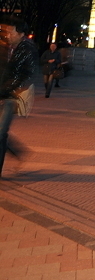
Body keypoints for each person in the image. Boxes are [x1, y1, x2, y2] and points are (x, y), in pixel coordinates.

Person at [0, 16, 36, 177]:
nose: (8, 34)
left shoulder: (26, 49)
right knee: (1, 133)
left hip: (10, 96)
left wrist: (4, 91)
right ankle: (17, 151)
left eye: (11, 31)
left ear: (21, 33)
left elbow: (21, 74)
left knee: (1, 133)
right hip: (6, 93)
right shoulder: (11, 48)